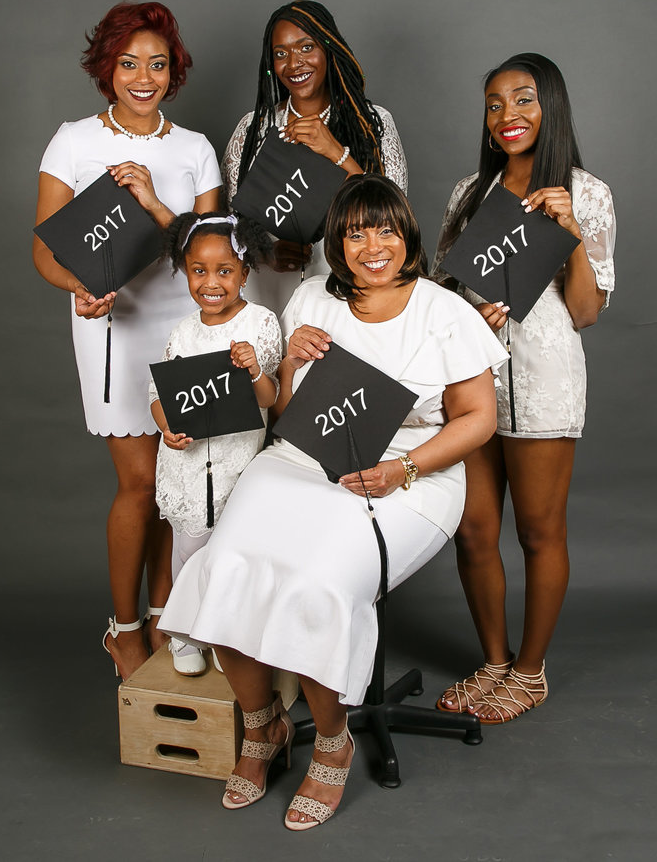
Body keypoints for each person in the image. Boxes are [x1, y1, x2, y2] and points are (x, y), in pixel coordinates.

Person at [159, 174, 507, 829]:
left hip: (412, 472)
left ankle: (331, 739)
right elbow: (289, 412)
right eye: (354, 232)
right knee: (225, 563)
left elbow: (478, 419)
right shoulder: (312, 296)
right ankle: (264, 728)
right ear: (337, 243)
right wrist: (289, 360)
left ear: (407, 236)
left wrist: (403, 468)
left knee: (317, 583)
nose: (372, 245)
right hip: (303, 458)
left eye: (386, 229)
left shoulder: (444, 311)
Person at [33, 1, 221, 680]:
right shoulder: (74, 140)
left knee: (181, 480)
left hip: (188, 323)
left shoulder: (194, 148)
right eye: (129, 63)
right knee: (140, 485)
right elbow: (45, 249)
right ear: (106, 68)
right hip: (113, 325)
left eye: (158, 64)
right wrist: (76, 289)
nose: (144, 77)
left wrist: (151, 202)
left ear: (175, 72)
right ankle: (125, 625)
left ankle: (171, 608)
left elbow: (209, 252)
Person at [431, 53, 616, 724]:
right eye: (494, 104)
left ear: (552, 107)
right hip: (474, 381)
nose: (508, 115)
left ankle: (531, 672)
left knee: (539, 532)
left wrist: (567, 231)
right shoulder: (467, 195)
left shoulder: (585, 192)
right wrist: (463, 314)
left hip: (543, 378)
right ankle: (496, 660)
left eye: (524, 99)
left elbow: (588, 310)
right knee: (474, 531)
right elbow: (438, 297)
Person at [148, 213, 281, 674]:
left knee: (232, 553)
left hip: (235, 465)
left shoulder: (261, 323)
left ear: (245, 272)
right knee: (187, 551)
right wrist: (166, 427)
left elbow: (271, 398)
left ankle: (227, 635)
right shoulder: (182, 332)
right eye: (199, 270)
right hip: (186, 465)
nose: (211, 282)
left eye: (225, 271)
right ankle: (185, 636)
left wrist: (254, 371)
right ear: (185, 271)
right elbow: (159, 397)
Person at [221, 0, 408, 314]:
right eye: (281, 53)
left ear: (328, 49)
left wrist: (336, 152)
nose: (294, 64)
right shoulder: (252, 129)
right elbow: (228, 221)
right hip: (267, 287)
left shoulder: (371, 123)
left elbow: (394, 217)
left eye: (306, 48)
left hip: (345, 285)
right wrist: (265, 252)